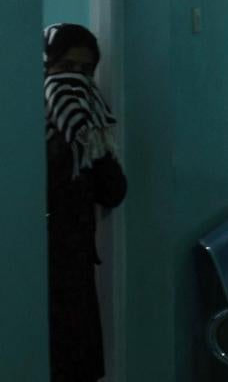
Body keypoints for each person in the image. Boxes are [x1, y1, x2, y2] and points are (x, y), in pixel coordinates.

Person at [43, 23, 127, 382]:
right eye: (65, 69)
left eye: (85, 71)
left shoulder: (91, 131)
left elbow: (113, 191)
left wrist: (90, 144)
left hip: (72, 261)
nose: (75, 81)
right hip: (32, 262)